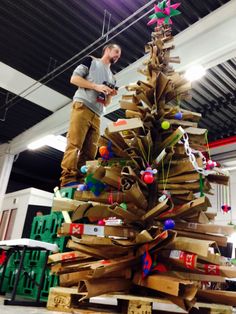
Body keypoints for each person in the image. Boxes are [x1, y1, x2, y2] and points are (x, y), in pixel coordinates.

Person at [60, 43, 121, 187]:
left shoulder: (113, 78)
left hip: (98, 114)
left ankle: (82, 181)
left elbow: (106, 103)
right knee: (75, 144)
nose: (118, 55)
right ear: (107, 49)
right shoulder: (91, 61)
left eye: (119, 54)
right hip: (82, 106)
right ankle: (68, 179)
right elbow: (74, 79)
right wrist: (96, 86)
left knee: (90, 151)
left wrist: (111, 95)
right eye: (116, 51)